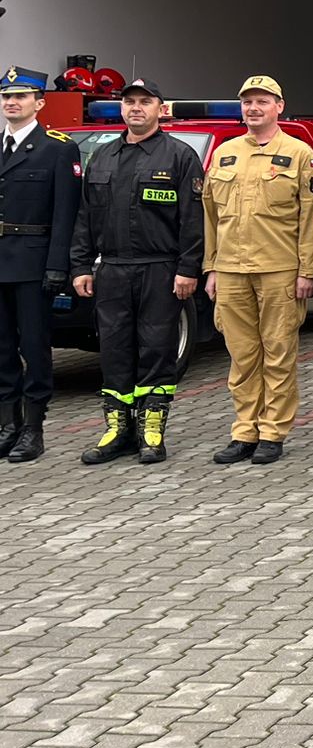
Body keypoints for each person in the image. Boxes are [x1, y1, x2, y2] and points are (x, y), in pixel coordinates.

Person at [69, 78, 198, 465]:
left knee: (157, 348)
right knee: (114, 349)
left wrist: (188, 268)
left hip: (160, 269)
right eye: (130, 102)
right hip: (112, 269)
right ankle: (118, 430)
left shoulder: (179, 156)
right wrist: (80, 265)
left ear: (160, 108)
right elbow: (85, 217)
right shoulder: (103, 156)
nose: (136, 108)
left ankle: (151, 431)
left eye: (145, 101)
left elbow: (193, 220)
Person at [203, 74, 313, 464]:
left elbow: (310, 219)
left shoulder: (301, 154)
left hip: (279, 270)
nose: (254, 108)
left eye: (262, 101)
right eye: (248, 102)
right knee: (241, 356)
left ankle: (272, 432)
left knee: (278, 353)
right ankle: (244, 432)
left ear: (279, 107)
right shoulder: (225, 153)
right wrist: (211, 267)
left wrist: (307, 271)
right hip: (231, 270)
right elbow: (210, 217)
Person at [0, 67, 80, 464]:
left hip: (33, 263)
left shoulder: (57, 148)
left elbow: (66, 213)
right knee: (1, 349)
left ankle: (33, 428)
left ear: (40, 103)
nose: (12, 102)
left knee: (34, 347)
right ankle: (7, 425)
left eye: (21, 96)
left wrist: (57, 266)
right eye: (6, 96)